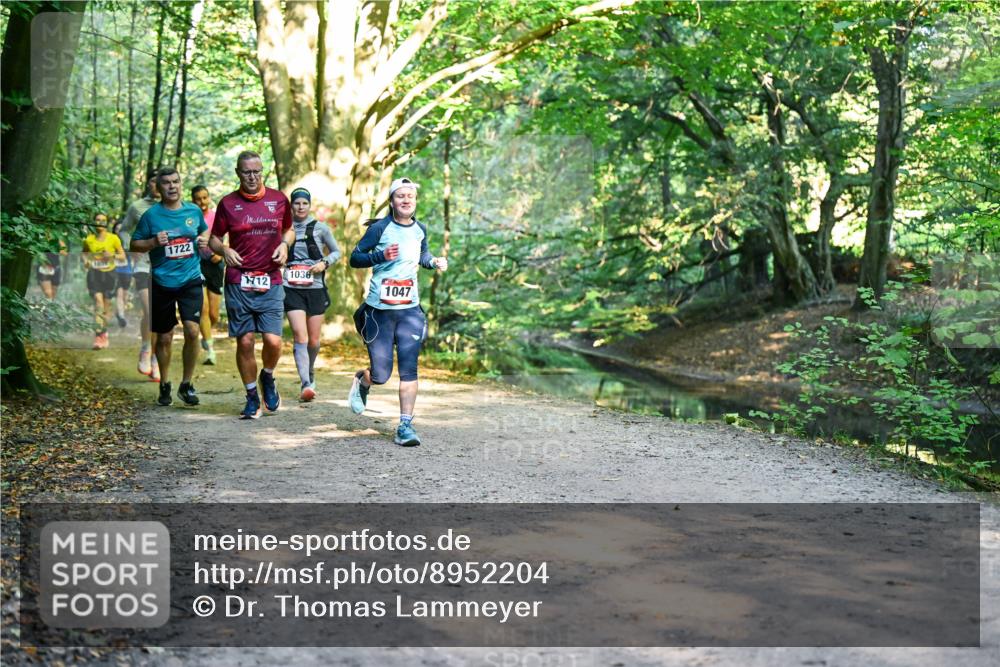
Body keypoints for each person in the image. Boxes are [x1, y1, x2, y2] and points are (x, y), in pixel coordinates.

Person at [347, 178, 448, 447]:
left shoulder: (421, 229)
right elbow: (355, 258)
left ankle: (405, 425)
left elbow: (422, 256)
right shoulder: (380, 228)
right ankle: (363, 380)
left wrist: (434, 261)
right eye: (400, 196)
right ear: (392, 201)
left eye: (410, 197)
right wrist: (380, 257)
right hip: (379, 312)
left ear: (415, 201)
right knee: (381, 375)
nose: (406, 200)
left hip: (409, 312)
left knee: (409, 370)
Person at [209, 151, 294, 419]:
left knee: (274, 340)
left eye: (257, 171)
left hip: (270, 278)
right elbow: (213, 238)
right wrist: (223, 250)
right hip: (239, 280)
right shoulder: (227, 203)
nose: (252, 176)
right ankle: (250, 397)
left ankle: (267, 376)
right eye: (246, 172)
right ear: (238, 173)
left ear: (262, 172)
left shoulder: (279, 199)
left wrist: (284, 244)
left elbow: (290, 229)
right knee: (245, 341)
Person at [130, 167, 209, 407]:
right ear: (159, 187)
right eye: (166, 183)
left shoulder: (193, 211)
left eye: (176, 181)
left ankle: (187, 384)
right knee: (164, 338)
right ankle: (165, 383)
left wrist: (205, 240)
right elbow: (134, 244)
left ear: (180, 184)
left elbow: (204, 231)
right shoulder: (151, 216)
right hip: (162, 282)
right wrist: (153, 242)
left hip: (191, 279)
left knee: (193, 330)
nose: (172, 186)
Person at [283, 188, 341, 401]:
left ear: (309, 205)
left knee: (314, 341)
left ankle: (310, 370)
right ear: (291, 206)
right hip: (290, 287)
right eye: (296, 203)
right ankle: (305, 383)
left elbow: (337, 252)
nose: (300, 207)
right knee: (300, 335)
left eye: (304, 204)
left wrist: (324, 263)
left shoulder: (320, 228)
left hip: (315, 288)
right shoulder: (283, 228)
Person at [121, 168, 161, 381]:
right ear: (148, 183)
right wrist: (131, 248)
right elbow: (124, 229)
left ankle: (155, 357)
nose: (157, 185)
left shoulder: (173, 207)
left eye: (160, 181)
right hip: (143, 266)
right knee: (150, 309)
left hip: (165, 268)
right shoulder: (137, 207)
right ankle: (146, 349)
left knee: (158, 315)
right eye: (153, 181)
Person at [82, 212, 126, 350]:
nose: (100, 222)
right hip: (94, 274)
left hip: (110, 275)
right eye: (97, 220)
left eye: (103, 220)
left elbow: (122, 256)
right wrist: (86, 262)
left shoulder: (113, 239)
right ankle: (98, 335)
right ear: (94, 222)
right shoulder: (88, 240)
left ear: (106, 223)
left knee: (106, 308)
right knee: (98, 304)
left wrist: (111, 255)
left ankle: (104, 334)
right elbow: (84, 253)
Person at [192, 184, 223, 365]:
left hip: (216, 265)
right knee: (202, 308)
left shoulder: (217, 216)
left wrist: (221, 254)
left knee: (213, 315)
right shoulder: (190, 218)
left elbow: (227, 236)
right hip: (197, 264)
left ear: (209, 198)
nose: (202, 202)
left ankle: (206, 334)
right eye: (198, 199)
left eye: (205, 198)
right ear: (193, 200)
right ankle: (211, 350)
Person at [111, 217, 133, 328]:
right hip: (115, 271)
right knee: (119, 294)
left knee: (124, 296)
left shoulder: (128, 240)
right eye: (117, 229)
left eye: (121, 228)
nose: (119, 231)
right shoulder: (111, 240)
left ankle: (120, 314)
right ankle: (121, 316)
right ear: (114, 230)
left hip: (127, 271)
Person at [35, 234, 67, 301]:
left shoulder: (56, 240)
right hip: (44, 267)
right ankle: (47, 309)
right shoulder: (40, 239)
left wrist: (57, 240)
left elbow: (64, 252)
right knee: (48, 293)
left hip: (56, 267)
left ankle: (48, 309)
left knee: (53, 294)